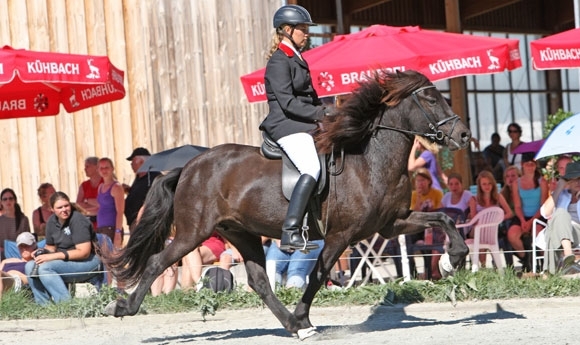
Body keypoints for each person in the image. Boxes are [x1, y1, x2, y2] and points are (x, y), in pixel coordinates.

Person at [258, 4, 325, 251]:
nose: (306, 33)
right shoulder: (279, 61)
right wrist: (320, 113)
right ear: (287, 30)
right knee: (311, 167)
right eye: (302, 29)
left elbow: (311, 97)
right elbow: (287, 103)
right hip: (286, 125)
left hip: (303, 122)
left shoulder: (297, 58)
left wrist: (332, 111)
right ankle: (290, 230)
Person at [25, 192, 102, 305]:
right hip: (65, 262)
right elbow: (51, 247)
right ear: (52, 209)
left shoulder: (78, 220)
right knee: (29, 266)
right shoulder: (52, 221)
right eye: (59, 207)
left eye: (66, 205)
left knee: (45, 269)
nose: (64, 210)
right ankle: (44, 307)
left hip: (89, 262)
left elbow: (84, 252)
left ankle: (66, 306)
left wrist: (53, 256)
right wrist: (42, 252)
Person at [507, 152, 548, 272]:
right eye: (527, 164)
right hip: (523, 216)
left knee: (539, 234)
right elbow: (517, 206)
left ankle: (544, 263)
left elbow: (543, 206)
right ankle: (526, 259)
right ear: (522, 165)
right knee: (512, 234)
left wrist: (531, 221)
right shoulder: (516, 183)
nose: (530, 166)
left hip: (538, 215)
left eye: (532, 164)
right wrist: (523, 221)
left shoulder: (542, 182)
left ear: (536, 166)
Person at [540, 161, 580, 275]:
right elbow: (545, 212)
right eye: (573, 178)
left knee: (552, 231)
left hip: (577, 232)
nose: (577, 182)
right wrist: (559, 187)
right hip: (560, 230)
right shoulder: (561, 194)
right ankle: (568, 256)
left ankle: (549, 274)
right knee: (561, 213)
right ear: (568, 180)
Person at [468, 170, 514, 268]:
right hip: (478, 230)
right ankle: (483, 266)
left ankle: (486, 266)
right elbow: (473, 220)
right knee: (479, 234)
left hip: (494, 229)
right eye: (484, 184)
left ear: (493, 184)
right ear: (479, 186)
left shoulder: (498, 197)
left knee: (483, 237)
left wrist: (497, 219)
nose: (487, 186)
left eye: (489, 183)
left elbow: (510, 213)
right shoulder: (474, 200)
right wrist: (485, 221)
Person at [408, 168, 444, 279]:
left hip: (432, 227)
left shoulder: (436, 193)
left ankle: (428, 275)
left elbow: (439, 212)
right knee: (407, 240)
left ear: (429, 181)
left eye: (422, 180)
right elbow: (413, 214)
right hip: (418, 227)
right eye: (418, 181)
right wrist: (418, 199)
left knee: (427, 246)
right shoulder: (413, 195)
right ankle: (412, 274)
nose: (420, 183)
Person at [123, 148, 160, 231]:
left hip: (146, 223)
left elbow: (155, 197)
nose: (131, 164)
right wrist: (130, 190)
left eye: (133, 161)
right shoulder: (139, 177)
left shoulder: (154, 177)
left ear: (142, 162)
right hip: (134, 222)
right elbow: (141, 193)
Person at [96, 157, 125, 249]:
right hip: (101, 228)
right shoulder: (100, 187)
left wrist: (118, 232)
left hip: (111, 229)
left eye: (107, 167)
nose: (104, 170)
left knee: (111, 259)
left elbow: (120, 212)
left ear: (112, 168)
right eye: (101, 168)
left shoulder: (116, 187)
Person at [0, 232, 37, 298]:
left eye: (27, 245)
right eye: (21, 246)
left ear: (34, 245)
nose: (24, 249)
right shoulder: (6, 261)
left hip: (17, 282)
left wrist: (16, 274)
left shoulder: (35, 262)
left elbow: (33, 281)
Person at [499, 165, 521, 266]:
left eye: (513, 175)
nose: (510, 179)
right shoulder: (502, 194)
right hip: (507, 223)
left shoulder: (523, 191)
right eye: (507, 176)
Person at [0, 189, 31, 260]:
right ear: (1, 202)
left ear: (15, 200)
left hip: (20, 253)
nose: (8, 201)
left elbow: (27, 240)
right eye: (5, 199)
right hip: (2, 254)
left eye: (11, 198)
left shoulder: (23, 219)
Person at [76, 157, 102, 229]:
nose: (85, 169)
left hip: (103, 223)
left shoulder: (105, 183)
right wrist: (95, 207)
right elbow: (78, 206)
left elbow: (104, 204)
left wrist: (87, 201)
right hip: (88, 224)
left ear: (96, 167)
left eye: (87, 166)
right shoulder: (84, 185)